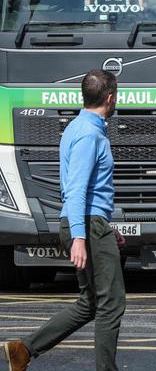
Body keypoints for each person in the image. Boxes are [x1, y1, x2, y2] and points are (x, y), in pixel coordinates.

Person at [3, 70, 125, 371]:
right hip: (86, 225)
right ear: (110, 98)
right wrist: (82, 237)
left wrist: (103, 227)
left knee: (90, 303)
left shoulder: (76, 127)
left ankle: (23, 350)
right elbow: (77, 189)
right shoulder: (89, 135)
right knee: (112, 303)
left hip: (90, 223)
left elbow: (84, 189)